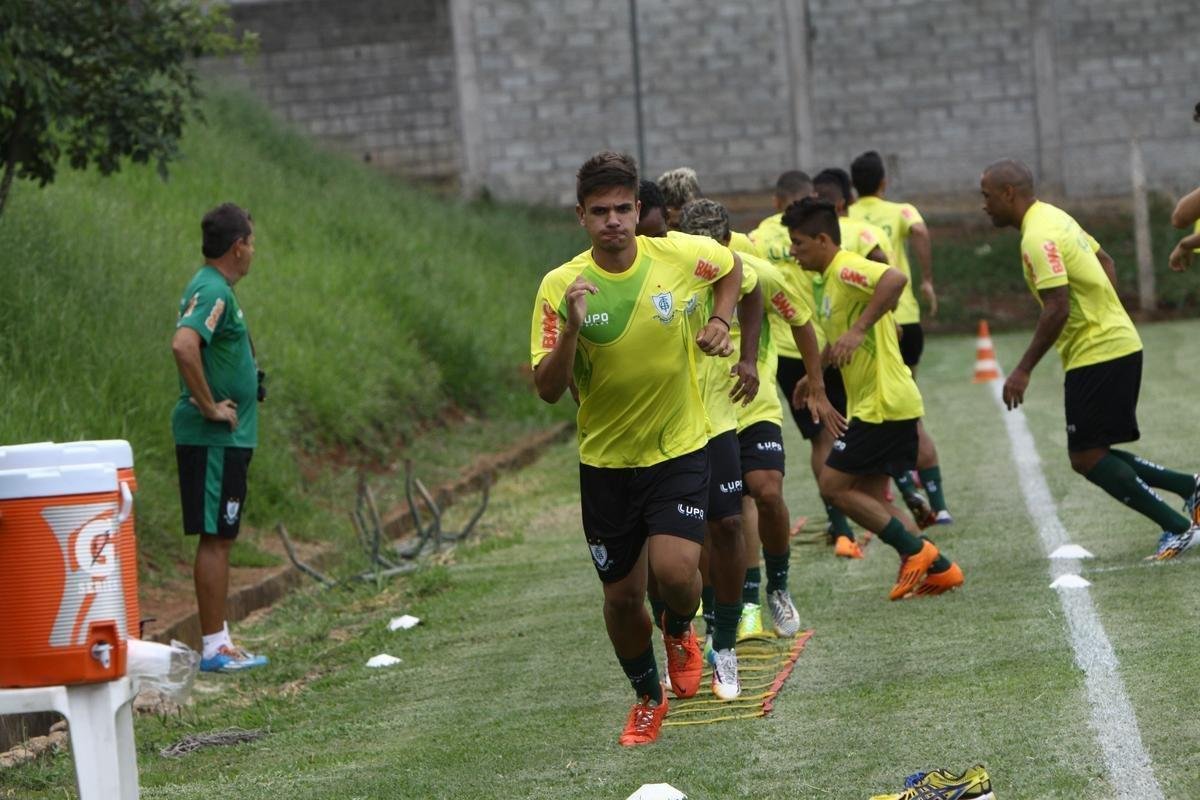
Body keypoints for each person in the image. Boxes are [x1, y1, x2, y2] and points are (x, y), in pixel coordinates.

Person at [531, 152, 742, 745]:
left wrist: (723, 322)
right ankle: (648, 698)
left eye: (623, 209)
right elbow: (548, 390)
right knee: (623, 600)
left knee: (677, 573)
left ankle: (681, 628)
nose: (614, 221)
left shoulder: (674, 255)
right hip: (605, 464)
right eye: (600, 212)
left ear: (638, 210)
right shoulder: (559, 285)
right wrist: (572, 325)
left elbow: (732, 269)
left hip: (677, 447)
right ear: (581, 217)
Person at [981, 159, 1200, 560]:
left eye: (987, 196)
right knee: (1090, 451)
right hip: (1111, 344)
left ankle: (1178, 526)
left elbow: (1057, 307)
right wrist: (1109, 317)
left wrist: (1023, 369)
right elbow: (1106, 262)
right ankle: (1190, 488)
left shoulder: (1037, 235)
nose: (984, 205)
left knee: (1086, 456)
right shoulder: (1055, 217)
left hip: (1098, 352)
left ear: (1008, 193)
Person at [784, 197, 964, 599]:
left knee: (833, 485)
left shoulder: (845, 266)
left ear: (823, 239)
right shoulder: (828, 280)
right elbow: (839, 338)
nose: (793, 251)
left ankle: (916, 551)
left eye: (798, 243)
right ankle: (939, 569)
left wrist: (861, 328)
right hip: (875, 403)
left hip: (883, 404)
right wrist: (815, 377)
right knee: (865, 495)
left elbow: (896, 278)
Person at [679, 199, 838, 651]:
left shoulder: (757, 273)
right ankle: (724, 613)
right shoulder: (677, 275)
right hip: (703, 415)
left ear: (730, 241)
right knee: (719, 519)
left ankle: (778, 588)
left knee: (766, 492)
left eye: (717, 244)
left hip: (753, 404)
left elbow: (802, 323)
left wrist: (817, 384)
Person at [171, 202, 269, 673]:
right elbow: (184, 345)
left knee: (222, 536)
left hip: (228, 442)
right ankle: (214, 646)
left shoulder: (215, 289)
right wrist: (210, 407)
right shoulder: (212, 290)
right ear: (238, 247)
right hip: (214, 441)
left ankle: (221, 641)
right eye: (251, 242)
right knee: (216, 538)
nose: (253, 251)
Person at [750, 171, 860, 554]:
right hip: (828, 341)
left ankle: (840, 522)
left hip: (786, 349)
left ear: (777, 202)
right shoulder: (818, 230)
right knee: (848, 424)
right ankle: (856, 510)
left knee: (820, 437)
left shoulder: (757, 238)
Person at [849, 152, 954, 526]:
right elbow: (921, 231)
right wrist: (926, 278)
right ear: (883, 183)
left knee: (875, 412)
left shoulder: (847, 220)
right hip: (904, 316)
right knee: (907, 410)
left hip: (868, 323)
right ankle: (936, 502)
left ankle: (904, 485)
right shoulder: (901, 211)